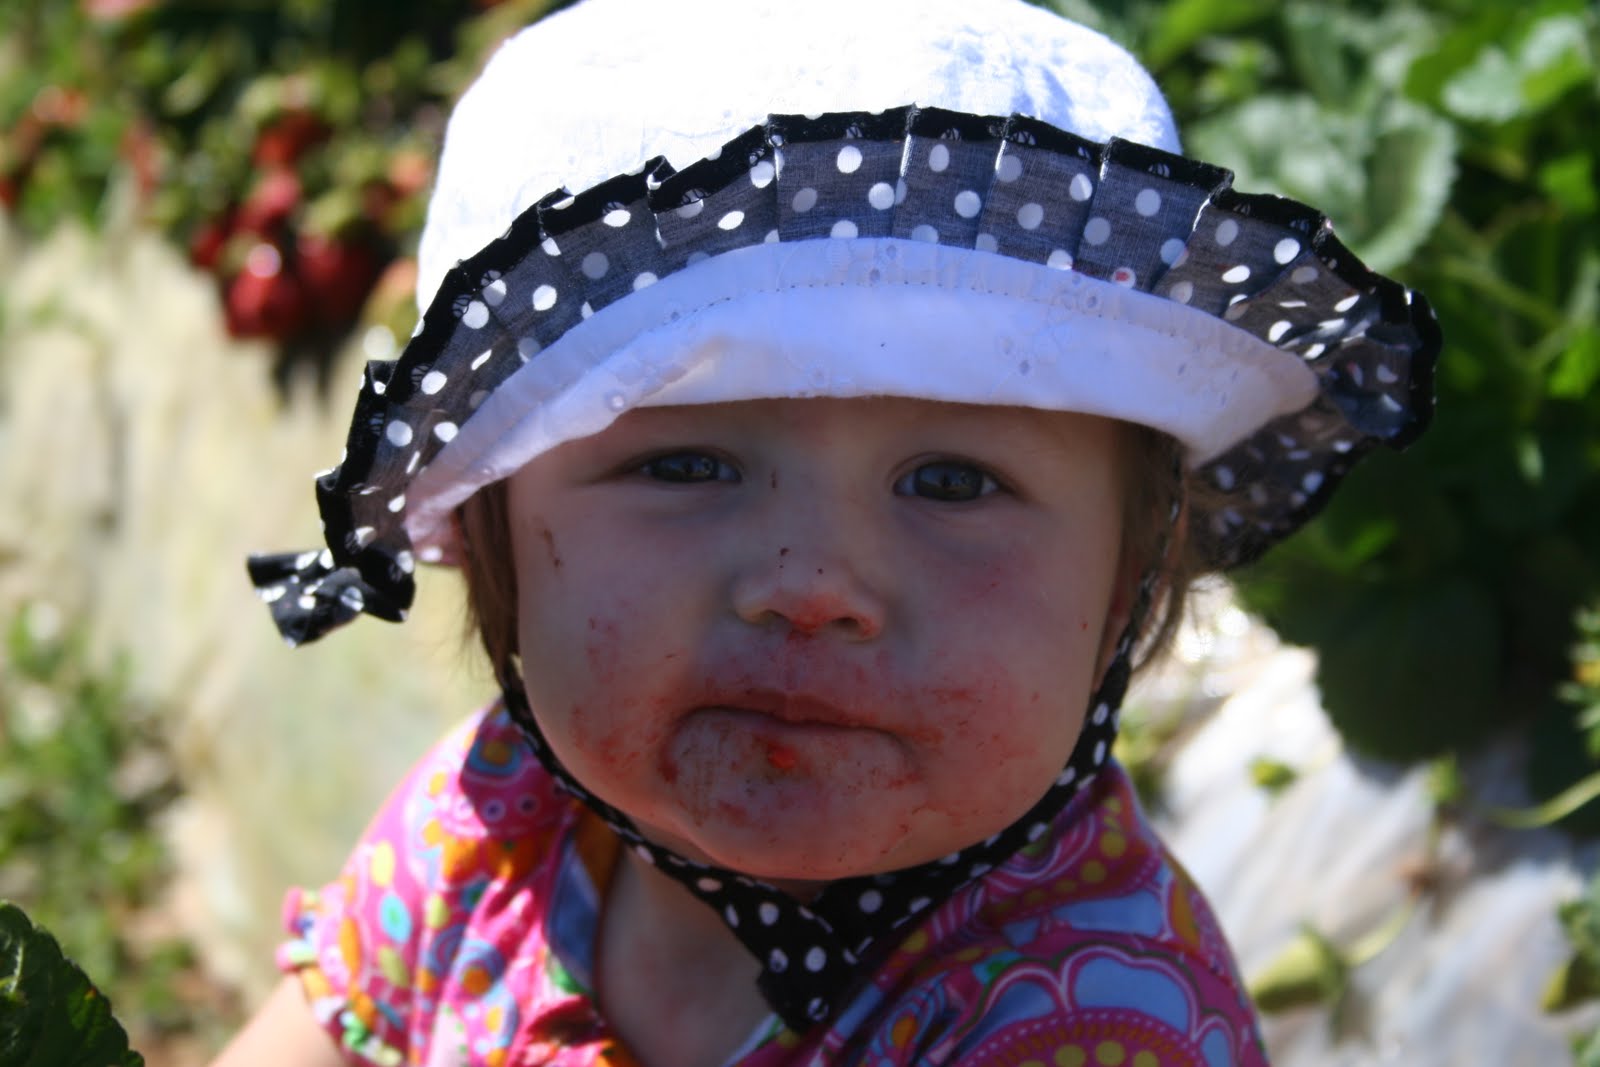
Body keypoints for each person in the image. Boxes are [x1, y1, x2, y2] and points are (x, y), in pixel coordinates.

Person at [212, 0, 1439, 1063]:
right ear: (493, 539)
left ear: (1126, 580)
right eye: (684, 463)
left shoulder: (1087, 1017)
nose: (812, 584)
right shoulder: (501, 820)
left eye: (953, 483)